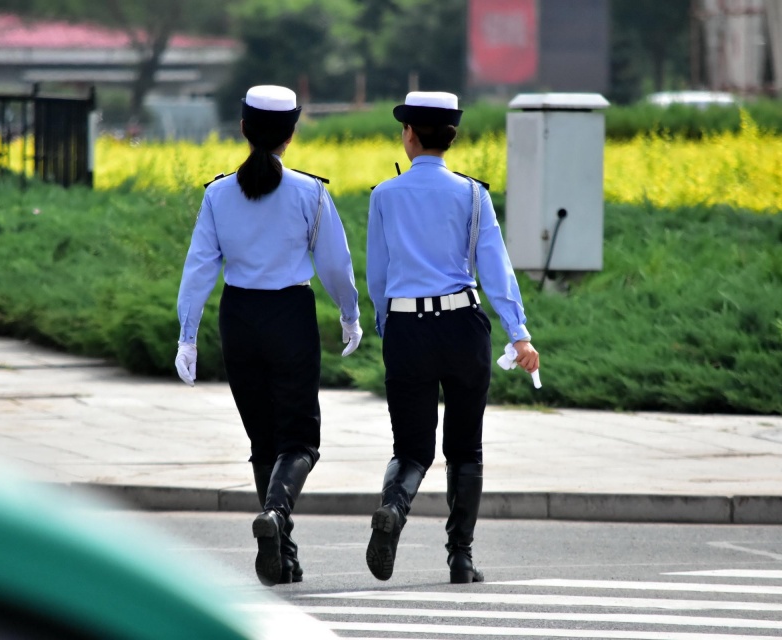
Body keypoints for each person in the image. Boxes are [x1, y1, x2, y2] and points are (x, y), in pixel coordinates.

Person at [174, 85, 362, 586]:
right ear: (291, 133)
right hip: (289, 315)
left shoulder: (217, 193)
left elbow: (198, 270)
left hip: (239, 318)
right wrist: (351, 314)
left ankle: (282, 551)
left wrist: (187, 335)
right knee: (299, 439)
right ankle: (276, 515)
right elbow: (336, 266)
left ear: (243, 128)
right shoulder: (310, 193)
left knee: (263, 439)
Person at [365, 91, 539, 584]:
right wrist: (519, 334)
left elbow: (378, 275)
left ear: (410, 136)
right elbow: (496, 269)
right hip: (463, 326)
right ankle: (460, 558)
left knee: (412, 448)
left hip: (406, 327)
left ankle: (395, 509)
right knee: (466, 447)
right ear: (450, 139)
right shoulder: (472, 194)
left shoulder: (384, 195)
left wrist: (387, 324)